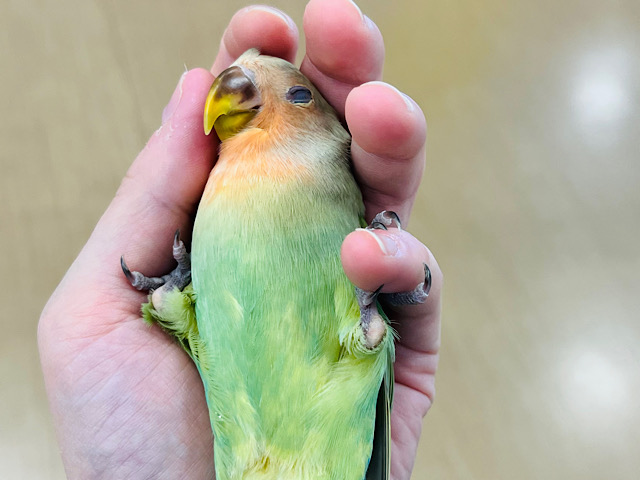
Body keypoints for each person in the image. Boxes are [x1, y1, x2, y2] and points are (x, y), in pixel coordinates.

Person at [37, 1, 443, 478]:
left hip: (324, 451)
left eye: (296, 97)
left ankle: (366, 328)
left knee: (368, 312)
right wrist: (176, 301)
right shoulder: (213, 193)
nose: (243, 88)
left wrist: (373, 314)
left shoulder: (336, 192)